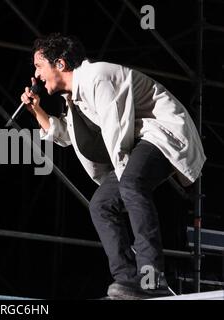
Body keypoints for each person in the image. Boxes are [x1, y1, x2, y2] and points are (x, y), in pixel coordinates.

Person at [21, 33, 206, 299]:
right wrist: (37, 111)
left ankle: (152, 281)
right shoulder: (74, 99)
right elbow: (65, 136)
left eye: (39, 66)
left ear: (59, 64)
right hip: (141, 141)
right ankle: (128, 281)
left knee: (131, 183)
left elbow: (116, 134)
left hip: (166, 132)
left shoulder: (97, 77)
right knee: (101, 205)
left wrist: (126, 183)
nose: (36, 76)